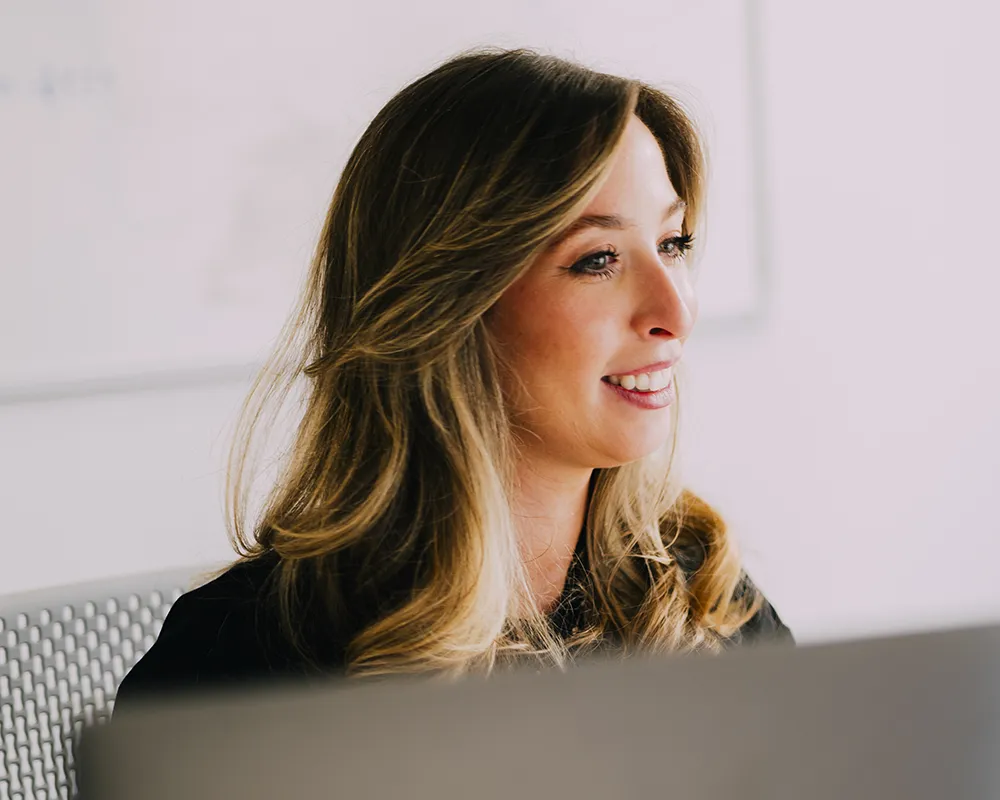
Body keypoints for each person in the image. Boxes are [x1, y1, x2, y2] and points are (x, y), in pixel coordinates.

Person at [114, 46, 791, 707]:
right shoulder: (241, 663)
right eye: (598, 259)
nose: (677, 311)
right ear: (448, 308)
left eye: (674, 244)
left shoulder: (704, 601)